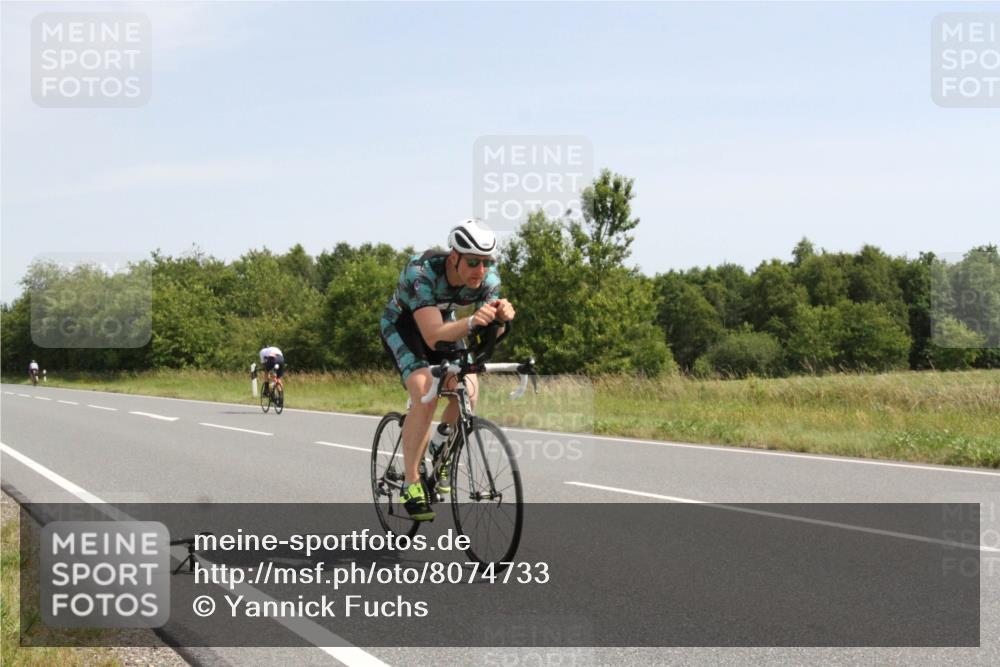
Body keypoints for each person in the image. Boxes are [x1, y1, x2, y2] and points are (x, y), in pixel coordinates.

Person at [380, 219, 516, 521]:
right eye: (472, 262)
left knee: (468, 388)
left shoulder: (489, 278)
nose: (480, 270)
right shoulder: (421, 272)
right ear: (453, 256)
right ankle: (411, 481)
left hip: (445, 323)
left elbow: (487, 335)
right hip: (405, 326)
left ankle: (442, 441)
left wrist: (502, 321)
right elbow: (432, 336)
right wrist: (470, 322)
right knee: (425, 390)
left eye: (486, 262)